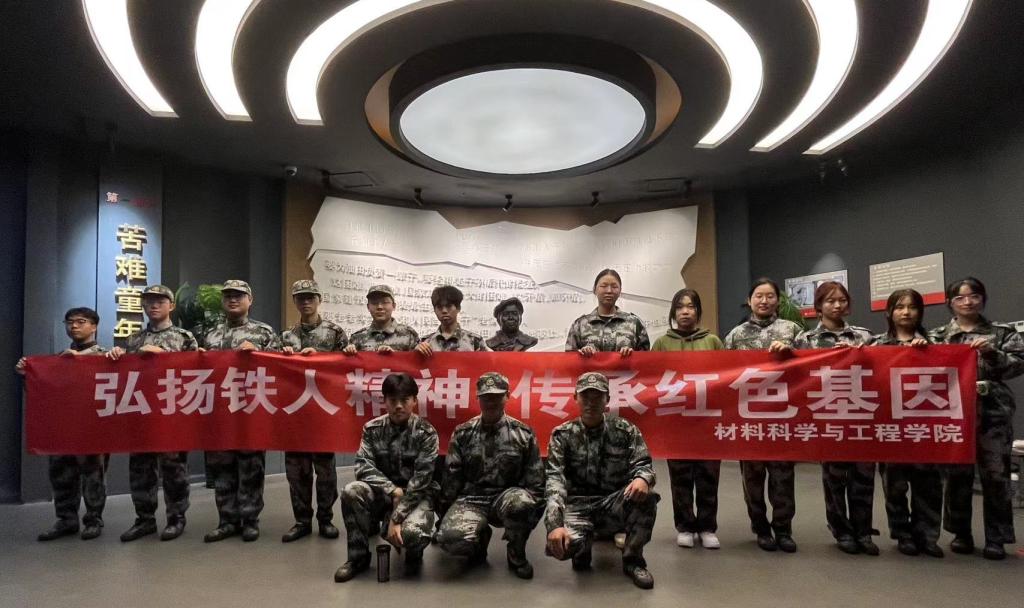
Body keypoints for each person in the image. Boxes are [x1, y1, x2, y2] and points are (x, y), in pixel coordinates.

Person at [929, 277, 1024, 560]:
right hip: (953, 413)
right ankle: (960, 533)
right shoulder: (938, 336)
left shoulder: (1002, 333)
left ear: (983, 299)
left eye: (974, 296)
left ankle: (997, 538)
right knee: (957, 475)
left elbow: (1017, 365)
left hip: (992, 413)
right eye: (960, 297)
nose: (968, 302)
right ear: (950, 303)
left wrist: (992, 354)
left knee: (996, 475)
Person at [544, 372, 658, 589]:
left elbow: (643, 464)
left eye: (597, 396)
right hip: (577, 506)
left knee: (647, 497)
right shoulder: (562, 435)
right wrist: (554, 525)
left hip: (612, 504)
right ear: (575, 397)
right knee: (563, 547)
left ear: (607, 399)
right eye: (585, 396)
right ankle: (583, 544)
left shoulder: (625, 430)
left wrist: (642, 478)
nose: (591, 402)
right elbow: (554, 481)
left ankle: (633, 561)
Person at [106, 285, 198, 542]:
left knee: (174, 470)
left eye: (160, 301)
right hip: (142, 414)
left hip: (172, 414)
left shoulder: (184, 338)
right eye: (148, 302)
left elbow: (196, 373)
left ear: (171, 306)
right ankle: (144, 519)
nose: (154, 306)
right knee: (140, 469)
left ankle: (176, 518)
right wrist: (117, 356)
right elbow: (124, 376)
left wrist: (164, 356)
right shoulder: (134, 340)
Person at [792, 281, 877, 555]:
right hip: (827, 415)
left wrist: (861, 356)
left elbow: (882, 369)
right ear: (819, 306)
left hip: (861, 414)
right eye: (830, 301)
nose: (837, 305)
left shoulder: (864, 337)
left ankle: (864, 531)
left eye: (842, 300)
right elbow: (796, 376)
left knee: (864, 475)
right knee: (834, 477)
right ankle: (841, 531)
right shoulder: (806, 340)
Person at [437, 372, 544, 579]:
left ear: (507, 396)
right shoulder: (463, 433)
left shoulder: (523, 434)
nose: (491, 402)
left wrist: (528, 518)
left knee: (523, 504)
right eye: (486, 397)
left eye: (497, 396)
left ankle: (516, 553)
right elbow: (451, 478)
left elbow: (536, 483)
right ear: (478, 398)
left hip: (506, 497)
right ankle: (479, 539)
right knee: (450, 539)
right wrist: (444, 517)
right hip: (471, 499)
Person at [335, 373, 439, 582]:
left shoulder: (426, 433)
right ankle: (358, 557)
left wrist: (396, 518)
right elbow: (363, 466)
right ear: (384, 401)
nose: (398, 406)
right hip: (384, 493)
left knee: (412, 535)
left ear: (414, 401)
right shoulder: (372, 429)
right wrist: (392, 490)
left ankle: (413, 552)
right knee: (351, 491)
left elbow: (421, 482)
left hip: (414, 497)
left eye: (404, 400)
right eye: (392, 400)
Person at [16, 307, 109, 541]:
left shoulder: (106, 358)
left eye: (81, 321)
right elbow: (42, 393)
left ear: (94, 326)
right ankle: (66, 520)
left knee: (93, 476)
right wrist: (27, 374)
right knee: (62, 475)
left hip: (92, 427)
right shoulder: (57, 359)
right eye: (70, 322)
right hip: (62, 428)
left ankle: (93, 520)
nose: (74, 326)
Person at [723, 278, 802, 553]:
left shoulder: (792, 330)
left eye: (770, 296)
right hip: (749, 418)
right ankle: (761, 528)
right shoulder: (735, 335)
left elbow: (811, 366)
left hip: (782, 416)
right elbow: (724, 374)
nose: (764, 301)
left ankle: (783, 529)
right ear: (749, 300)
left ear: (778, 300)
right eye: (759, 296)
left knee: (783, 477)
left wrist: (791, 353)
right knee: (752, 479)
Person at [200, 280, 282, 543]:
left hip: (251, 412)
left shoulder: (264, 333)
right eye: (228, 296)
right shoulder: (210, 334)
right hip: (220, 413)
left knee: (251, 468)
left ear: (250, 300)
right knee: (221, 469)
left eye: (238, 296)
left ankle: (250, 520)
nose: (233, 300)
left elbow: (281, 368)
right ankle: (226, 520)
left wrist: (259, 353)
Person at [871, 289, 944, 558]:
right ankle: (902, 534)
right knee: (895, 484)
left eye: (912, 307)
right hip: (891, 424)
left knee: (929, 483)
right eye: (900, 307)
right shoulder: (877, 345)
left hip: (927, 423)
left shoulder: (937, 341)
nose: (906, 312)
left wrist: (930, 353)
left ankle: (928, 535)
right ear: (889, 312)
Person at [651, 288, 724, 550]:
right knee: (680, 476)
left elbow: (727, 377)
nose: (685, 311)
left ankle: (707, 527)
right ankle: (684, 526)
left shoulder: (713, 341)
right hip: (676, 421)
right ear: (673, 312)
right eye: (680, 307)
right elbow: (652, 380)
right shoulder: (662, 344)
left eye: (691, 306)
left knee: (708, 475)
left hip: (707, 420)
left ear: (698, 311)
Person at [279, 279, 348, 542]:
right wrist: (285, 356)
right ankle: (302, 521)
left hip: (323, 413)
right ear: (295, 302)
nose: (306, 302)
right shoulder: (287, 336)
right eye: (300, 298)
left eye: (310, 297)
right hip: (296, 414)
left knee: (326, 471)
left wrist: (319, 356)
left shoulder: (335, 332)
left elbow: (345, 369)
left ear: (319, 299)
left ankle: (326, 519)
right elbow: (274, 373)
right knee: (297, 472)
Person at [565, 269, 650, 357]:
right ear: (594, 290)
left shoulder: (634, 323)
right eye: (603, 286)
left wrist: (632, 355)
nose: (609, 291)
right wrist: (583, 354)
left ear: (620, 291)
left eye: (614, 287)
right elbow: (569, 360)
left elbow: (646, 359)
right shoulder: (579, 325)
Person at [343, 285, 419, 354]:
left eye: (385, 302)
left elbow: (416, 362)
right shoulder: (357, 338)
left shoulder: (409, 335)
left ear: (393, 306)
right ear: (368, 307)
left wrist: (395, 356)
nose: (379, 307)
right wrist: (349, 353)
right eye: (374, 303)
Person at [415, 285, 487, 356]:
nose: (444, 311)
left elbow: (488, 362)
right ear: (434, 310)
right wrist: (415, 352)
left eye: (449, 306)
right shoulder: (425, 343)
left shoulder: (475, 341)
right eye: (439, 307)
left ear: (458, 308)